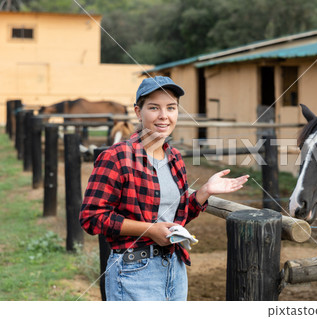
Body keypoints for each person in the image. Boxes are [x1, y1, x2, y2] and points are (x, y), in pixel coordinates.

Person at [79, 76, 249, 301]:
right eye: (154, 108)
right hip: (133, 272)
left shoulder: (175, 158)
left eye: (171, 108)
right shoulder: (116, 156)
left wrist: (204, 192)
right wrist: (149, 230)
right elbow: (92, 217)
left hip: (175, 269)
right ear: (138, 112)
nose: (164, 116)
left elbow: (177, 216)